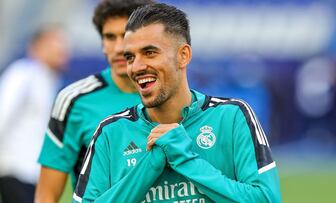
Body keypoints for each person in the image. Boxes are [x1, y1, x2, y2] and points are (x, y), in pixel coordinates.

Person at [73, 3, 282, 203]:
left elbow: (266, 199)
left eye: (149, 53)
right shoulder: (111, 133)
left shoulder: (232, 116)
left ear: (183, 56)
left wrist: (184, 158)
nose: (136, 67)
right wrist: (151, 164)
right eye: (130, 57)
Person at [34, 0, 154, 202]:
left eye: (126, 35)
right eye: (109, 37)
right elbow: (47, 194)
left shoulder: (169, 95)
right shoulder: (74, 100)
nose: (118, 48)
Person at [0, 26, 69, 203]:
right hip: (16, 171)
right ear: (35, 48)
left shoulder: (49, 81)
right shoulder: (23, 73)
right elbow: (3, 114)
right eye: (54, 42)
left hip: (34, 176)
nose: (61, 48)